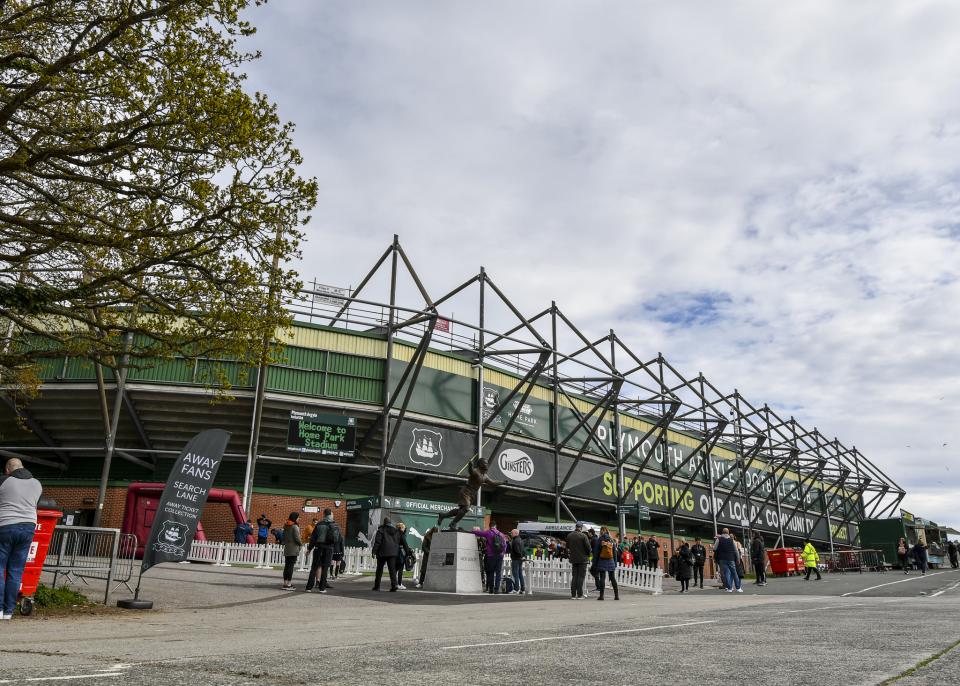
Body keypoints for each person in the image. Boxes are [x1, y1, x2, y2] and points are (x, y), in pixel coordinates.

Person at [0, 458, 43, 620]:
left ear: (7, 470)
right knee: (15, 571)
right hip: (28, 527)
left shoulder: (4, 481)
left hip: (5, 526)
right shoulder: (37, 483)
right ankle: (8, 612)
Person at [437, 455, 504, 530]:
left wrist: (502, 482)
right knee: (465, 508)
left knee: (461, 510)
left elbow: (492, 482)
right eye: (485, 463)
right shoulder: (476, 471)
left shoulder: (484, 476)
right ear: (481, 464)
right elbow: (471, 471)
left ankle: (443, 515)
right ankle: (453, 523)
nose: (487, 465)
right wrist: (470, 466)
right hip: (466, 491)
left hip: (472, 494)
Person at [305, 508, 340, 593]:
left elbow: (313, 538)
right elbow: (337, 539)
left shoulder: (319, 524)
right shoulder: (335, 525)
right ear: (331, 514)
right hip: (329, 548)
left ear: (324, 514)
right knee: (325, 568)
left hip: (318, 547)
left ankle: (309, 587)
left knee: (314, 567)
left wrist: (309, 549)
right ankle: (322, 588)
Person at [473, 523, 508, 593]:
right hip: (500, 555)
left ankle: (491, 589)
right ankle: (496, 589)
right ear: (496, 526)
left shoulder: (488, 532)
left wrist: (472, 531)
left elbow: (478, 533)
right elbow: (505, 545)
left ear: (490, 526)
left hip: (491, 555)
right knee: (498, 573)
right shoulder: (501, 534)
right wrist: (502, 552)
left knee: (491, 572)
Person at [372, 517, 400, 591]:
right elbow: (397, 542)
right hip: (392, 553)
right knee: (392, 570)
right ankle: (394, 585)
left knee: (379, 570)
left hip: (382, 552)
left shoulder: (380, 530)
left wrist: (374, 551)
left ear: (384, 522)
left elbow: (377, 542)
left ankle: (377, 586)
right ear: (390, 523)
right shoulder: (395, 531)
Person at [566, 521, 592, 599]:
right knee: (581, 577)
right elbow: (588, 548)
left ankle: (573, 595)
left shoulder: (569, 535)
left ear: (576, 527)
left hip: (573, 559)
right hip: (583, 559)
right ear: (581, 528)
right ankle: (580, 594)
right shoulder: (583, 536)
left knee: (574, 576)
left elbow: (568, 546)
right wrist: (588, 554)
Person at [594, 527, 620, 601]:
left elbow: (596, 553)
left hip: (602, 560)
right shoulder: (611, 540)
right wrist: (615, 563)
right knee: (612, 578)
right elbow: (614, 552)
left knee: (602, 577)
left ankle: (601, 596)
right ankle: (616, 596)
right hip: (611, 560)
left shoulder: (600, 540)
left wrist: (595, 563)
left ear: (601, 531)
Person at [714, 528, 742, 593]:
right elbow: (736, 551)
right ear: (728, 533)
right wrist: (738, 559)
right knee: (734, 572)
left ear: (722, 533)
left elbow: (714, 548)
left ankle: (729, 588)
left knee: (726, 573)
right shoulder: (731, 540)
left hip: (722, 559)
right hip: (731, 558)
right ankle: (738, 588)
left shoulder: (719, 539)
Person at [280, 512, 301, 590]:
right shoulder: (295, 527)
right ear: (295, 518)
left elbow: (284, 538)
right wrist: (301, 544)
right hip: (293, 548)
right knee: (291, 567)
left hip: (287, 548)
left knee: (287, 566)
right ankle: (289, 584)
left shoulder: (286, 526)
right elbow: (297, 538)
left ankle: (285, 583)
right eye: (298, 517)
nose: (299, 519)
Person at [395, 522, 413, 589]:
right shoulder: (402, 535)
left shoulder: (394, 534)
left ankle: (394, 583)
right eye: (404, 527)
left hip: (394, 553)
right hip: (400, 554)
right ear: (401, 528)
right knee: (400, 569)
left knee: (395, 569)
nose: (405, 528)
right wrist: (408, 552)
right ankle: (399, 584)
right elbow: (405, 545)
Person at [509, 528, 526, 595]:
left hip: (516, 559)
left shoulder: (515, 540)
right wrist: (523, 556)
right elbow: (523, 550)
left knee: (516, 574)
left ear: (516, 533)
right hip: (520, 559)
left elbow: (516, 550)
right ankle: (522, 589)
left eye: (512, 533)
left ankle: (516, 589)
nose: (511, 534)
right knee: (520, 574)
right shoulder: (521, 540)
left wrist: (520, 556)